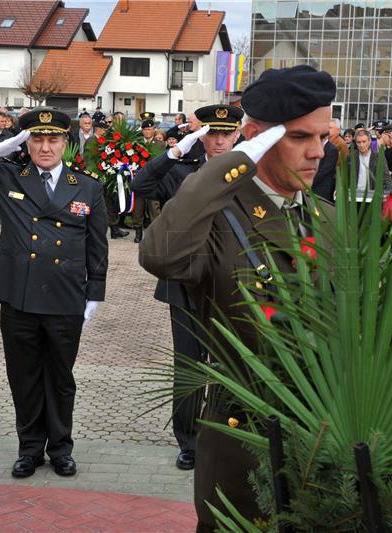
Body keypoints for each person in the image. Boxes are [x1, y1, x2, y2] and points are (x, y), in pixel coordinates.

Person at [139, 64, 337, 532]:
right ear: (257, 139)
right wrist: (232, 165)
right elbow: (160, 255)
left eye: (324, 137)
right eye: (300, 137)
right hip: (242, 439)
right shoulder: (218, 216)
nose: (316, 153)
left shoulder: (329, 218)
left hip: (323, 437)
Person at [0, 108, 108, 479]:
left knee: (61, 377)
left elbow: (98, 245)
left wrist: (95, 290)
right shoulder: (6, 176)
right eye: (37, 139)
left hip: (66, 296)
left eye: (53, 140)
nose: (45, 147)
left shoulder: (88, 187)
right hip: (19, 295)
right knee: (24, 375)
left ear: (65, 144)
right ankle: (30, 448)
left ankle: (61, 448)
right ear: (27, 143)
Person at [134, 104, 242, 472]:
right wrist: (178, 148)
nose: (220, 141)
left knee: (231, 363)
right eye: (213, 133)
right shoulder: (181, 173)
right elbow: (141, 184)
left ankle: (227, 434)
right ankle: (190, 441)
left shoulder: (247, 176)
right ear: (203, 136)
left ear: (238, 136)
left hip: (233, 286)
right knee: (189, 366)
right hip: (186, 286)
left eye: (227, 133)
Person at [130, 111, 163, 242]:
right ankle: (138, 233)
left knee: (154, 208)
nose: (148, 132)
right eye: (145, 129)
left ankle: (156, 234)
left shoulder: (160, 144)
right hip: (139, 180)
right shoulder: (136, 143)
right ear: (142, 130)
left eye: (150, 129)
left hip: (153, 182)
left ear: (154, 130)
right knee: (138, 208)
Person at [346, 128, 391, 209]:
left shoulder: (379, 157)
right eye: (358, 142)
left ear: (369, 141)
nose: (361, 145)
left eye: (364, 141)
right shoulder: (351, 157)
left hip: (372, 199)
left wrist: (387, 196)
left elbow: (386, 178)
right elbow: (345, 177)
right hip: (354, 198)